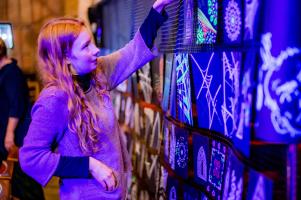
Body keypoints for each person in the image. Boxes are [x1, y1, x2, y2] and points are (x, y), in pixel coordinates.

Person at [19, 0, 173, 199]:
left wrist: (156, 9)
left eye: (91, 42)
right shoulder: (54, 99)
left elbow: (131, 53)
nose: (95, 50)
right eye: (85, 47)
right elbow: (30, 158)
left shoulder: (96, 73)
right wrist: (89, 165)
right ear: (65, 58)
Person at [0, 38, 45, 199]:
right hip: (9, 134)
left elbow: (16, 105)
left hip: (16, 136)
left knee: (24, 178)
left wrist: (9, 133)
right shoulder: (5, 71)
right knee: (16, 181)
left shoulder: (11, 73)